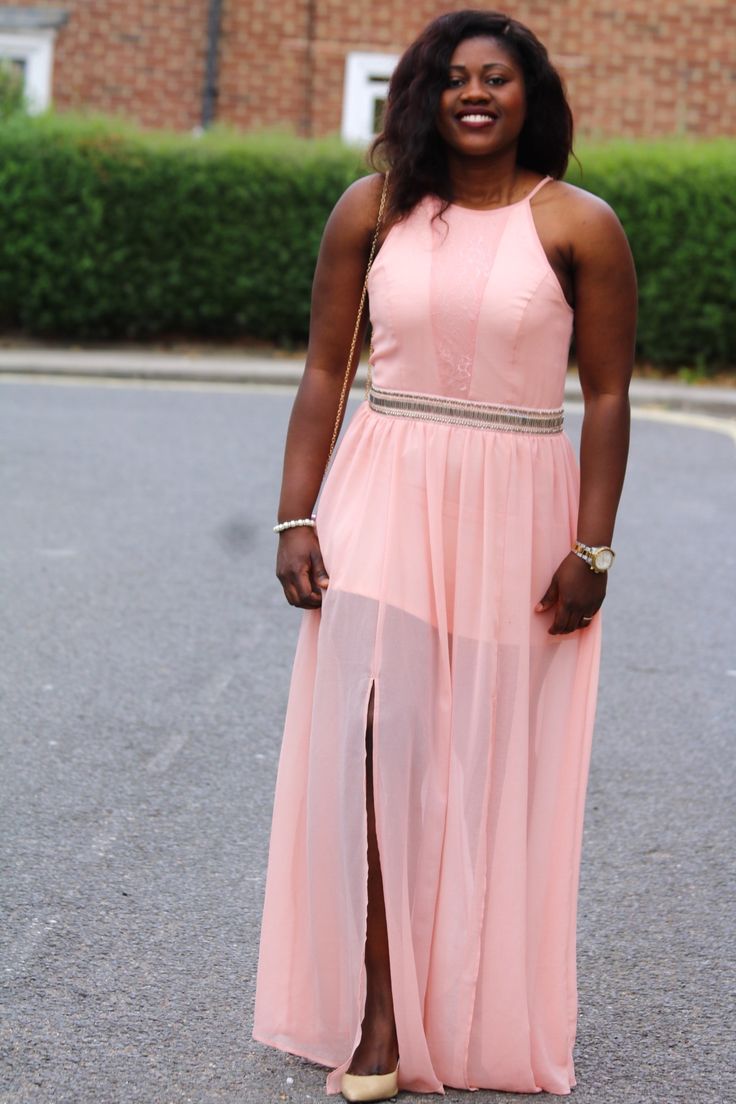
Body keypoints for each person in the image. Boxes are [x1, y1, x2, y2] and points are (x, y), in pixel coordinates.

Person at [253, 8, 637, 1101]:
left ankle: (463, 999)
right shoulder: (371, 211)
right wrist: (296, 515)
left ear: (530, 99)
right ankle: (378, 1019)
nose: (474, 94)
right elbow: (326, 371)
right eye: (453, 78)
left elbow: (606, 395)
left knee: (474, 765)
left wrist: (592, 548)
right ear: (422, 95)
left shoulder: (579, 224)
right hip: (383, 489)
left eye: (496, 79)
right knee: (379, 739)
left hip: (518, 505)